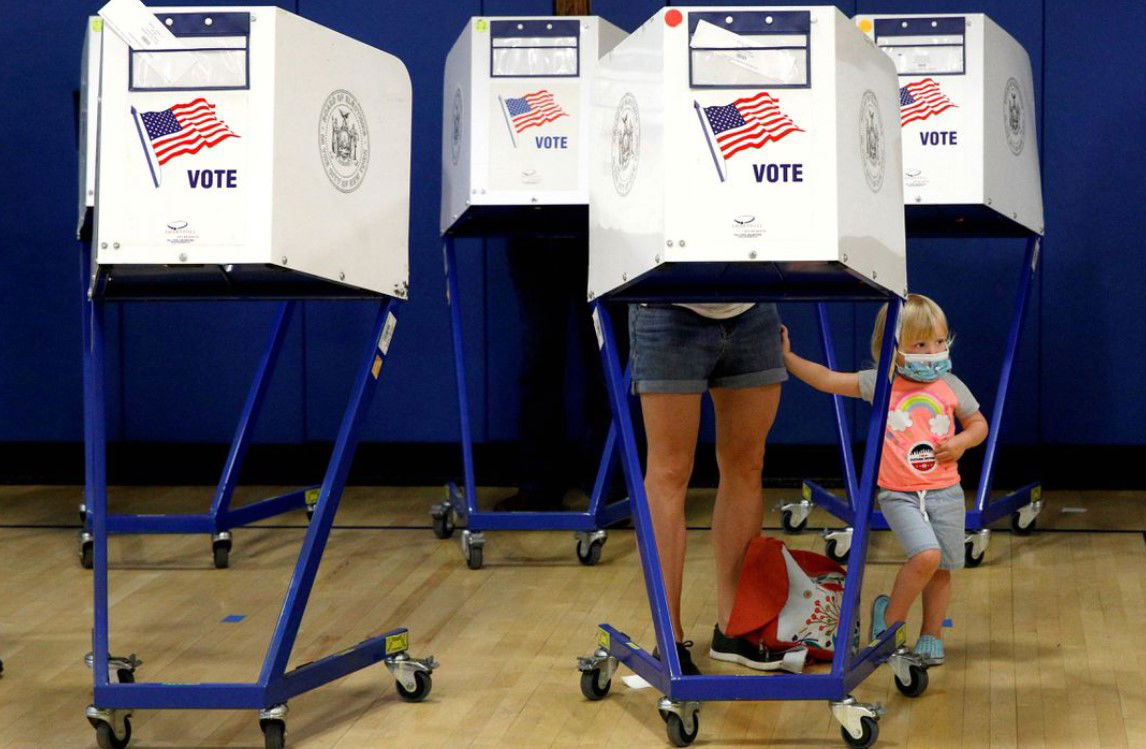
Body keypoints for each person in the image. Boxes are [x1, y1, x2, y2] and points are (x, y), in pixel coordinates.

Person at [780, 293, 987, 666]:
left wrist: (961, 442)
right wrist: (787, 358)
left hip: (946, 493)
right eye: (920, 344)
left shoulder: (951, 385)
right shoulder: (881, 383)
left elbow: (978, 424)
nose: (933, 351)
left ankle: (931, 634)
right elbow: (827, 380)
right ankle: (891, 623)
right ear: (893, 348)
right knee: (926, 555)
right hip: (899, 495)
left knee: (942, 570)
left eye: (939, 342)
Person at [630, 300, 786, 674]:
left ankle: (735, 627)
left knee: (747, 464)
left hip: (752, 306)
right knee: (669, 472)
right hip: (666, 309)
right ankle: (668, 635)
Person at [495, 236, 621, 512]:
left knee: (604, 362)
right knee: (542, 360)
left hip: (602, 224)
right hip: (536, 224)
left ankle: (611, 485)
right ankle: (540, 485)